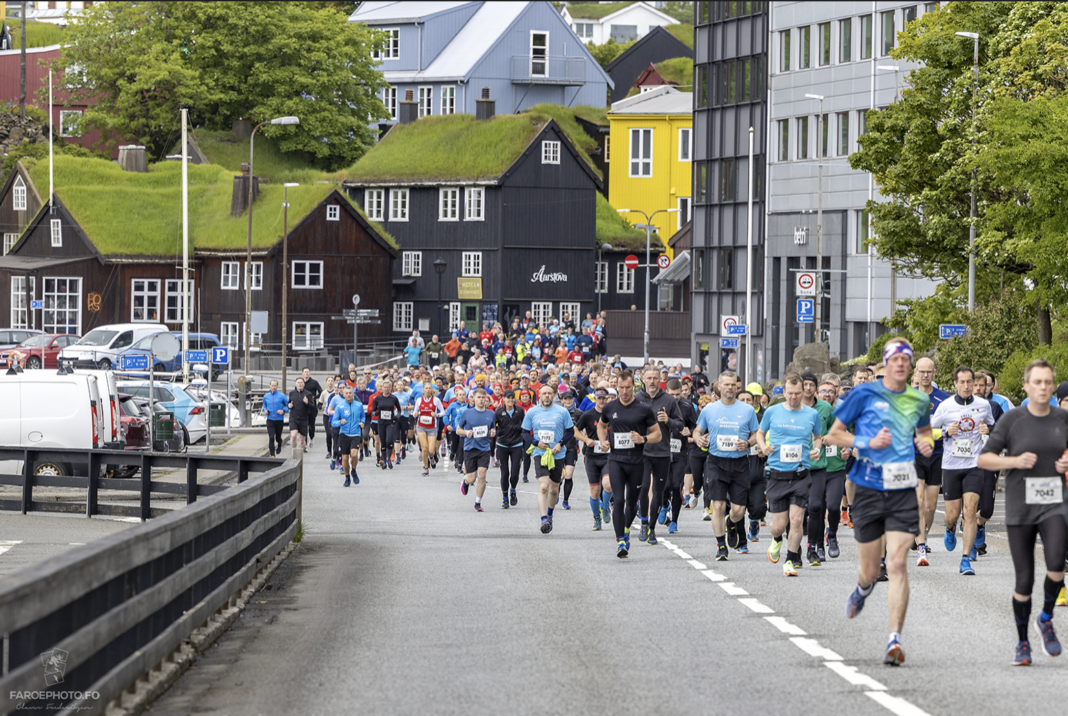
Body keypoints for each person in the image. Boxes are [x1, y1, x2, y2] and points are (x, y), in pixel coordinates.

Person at [826, 338, 934, 666]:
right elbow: (834, 434)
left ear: (910, 366)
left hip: (902, 489)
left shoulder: (918, 400)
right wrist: (867, 441)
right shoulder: (863, 394)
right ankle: (862, 588)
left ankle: (894, 639)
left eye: (906, 360)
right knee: (870, 571)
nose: (900, 364)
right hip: (868, 487)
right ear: (886, 365)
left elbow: (925, 433)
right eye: (895, 359)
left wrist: (925, 443)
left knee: (898, 563)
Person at [977, 359, 1067, 665]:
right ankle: (1023, 643)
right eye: (1037, 382)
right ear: (1026, 386)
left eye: (1048, 382)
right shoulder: (1013, 420)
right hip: (1020, 505)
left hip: (1054, 502)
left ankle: (1045, 618)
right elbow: (984, 459)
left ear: (1052, 386)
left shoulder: (1063, 418)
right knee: (1024, 580)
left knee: (1057, 564)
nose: (1043, 387)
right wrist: (1013, 462)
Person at [754, 373, 822, 577]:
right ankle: (777, 539)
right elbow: (759, 433)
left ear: (803, 392)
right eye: (790, 393)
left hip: (800, 474)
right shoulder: (772, 411)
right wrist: (763, 446)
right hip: (777, 474)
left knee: (797, 520)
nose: (794, 397)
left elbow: (817, 437)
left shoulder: (812, 414)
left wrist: (817, 449)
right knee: (778, 525)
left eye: (798, 393)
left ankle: (790, 560)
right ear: (784, 392)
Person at [931, 365, 995, 575]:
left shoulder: (983, 405)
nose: (966, 386)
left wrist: (988, 429)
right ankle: (950, 528)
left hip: (974, 465)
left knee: (970, 511)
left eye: (970, 382)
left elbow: (995, 427)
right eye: (962, 382)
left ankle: (965, 559)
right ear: (955, 384)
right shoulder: (945, 406)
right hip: (951, 466)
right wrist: (944, 432)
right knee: (952, 514)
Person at [694, 371, 760, 561]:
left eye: (733, 385)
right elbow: (697, 431)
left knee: (738, 510)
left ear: (737, 387)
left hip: (740, 463)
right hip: (716, 462)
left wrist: (747, 443)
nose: (730, 388)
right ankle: (721, 546)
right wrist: (699, 439)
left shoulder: (747, 410)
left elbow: (757, 434)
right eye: (726, 384)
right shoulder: (709, 410)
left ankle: (731, 523)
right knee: (718, 505)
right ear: (719, 386)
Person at [597, 371, 662, 558]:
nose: (624, 391)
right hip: (616, 460)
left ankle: (626, 530)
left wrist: (643, 439)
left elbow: (657, 434)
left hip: (637, 462)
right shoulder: (610, 407)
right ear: (616, 387)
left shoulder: (643, 409)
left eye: (628, 387)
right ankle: (621, 541)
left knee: (632, 504)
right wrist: (602, 441)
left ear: (634, 386)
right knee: (618, 500)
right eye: (621, 388)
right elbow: (601, 426)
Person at [636, 366, 683, 546]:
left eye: (655, 378)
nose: (652, 381)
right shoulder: (637, 399)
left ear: (660, 380)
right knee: (643, 487)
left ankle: (652, 528)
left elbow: (680, 425)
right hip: (642, 452)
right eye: (649, 378)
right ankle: (644, 523)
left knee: (658, 491)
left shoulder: (669, 400)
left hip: (662, 452)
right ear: (644, 379)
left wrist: (668, 420)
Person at [912, 356, 950, 565]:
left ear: (934, 373)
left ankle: (923, 534)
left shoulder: (944, 399)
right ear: (915, 373)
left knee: (930, 506)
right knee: (919, 500)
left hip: (937, 455)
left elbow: (951, 425)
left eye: (929, 372)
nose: (925, 375)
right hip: (915, 455)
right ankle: (921, 547)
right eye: (922, 372)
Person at [522, 385, 575, 533]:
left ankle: (550, 514)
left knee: (553, 489)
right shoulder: (532, 412)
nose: (546, 396)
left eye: (549, 393)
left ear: (554, 395)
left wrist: (560, 444)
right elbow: (525, 433)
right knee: (544, 486)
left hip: (557, 454)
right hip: (540, 453)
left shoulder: (562, 411)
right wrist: (536, 443)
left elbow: (570, 432)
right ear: (539, 395)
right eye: (544, 393)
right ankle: (543, 519)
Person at [799, 371, 835, 566]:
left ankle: (813, 547)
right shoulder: (791, 408)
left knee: (815, 507)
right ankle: (794, 547)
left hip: (818, 466)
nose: (807, 388)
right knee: (796, 512)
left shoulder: (825, 408)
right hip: (795, 467)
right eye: (804, 384)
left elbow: (834, 429)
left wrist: (828, 438)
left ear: (816, 388)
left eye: (811, 385)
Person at [812, 378, 849, 559]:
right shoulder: (811, 413)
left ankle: (832, 534)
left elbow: (847, 433)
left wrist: (847, 448)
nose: (827, 394)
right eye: (823, 391)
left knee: (834, 507)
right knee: (817, 508)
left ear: (836, 395)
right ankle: (819, 545)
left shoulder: (839, 413)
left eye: (831, 391)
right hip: (817, 468)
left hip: (836, 468)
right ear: (817, 394)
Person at [576, 386, 613, 531]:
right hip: (592, 456)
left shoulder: (613, 414)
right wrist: (586, 440)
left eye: (604, 398)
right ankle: (596, 518)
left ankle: (605, 506)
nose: (602, 401)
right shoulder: (588, 415)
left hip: (609, 456)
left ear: (607, 399)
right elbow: (575, 431)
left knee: (608, 484)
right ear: (595, 399)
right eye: (599, 398)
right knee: (595, 492)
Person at [664, 378, 698, 535]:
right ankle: (665, 505)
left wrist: (689, 431)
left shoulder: (686, 406)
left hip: (680, 451)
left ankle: (674, 521)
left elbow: (695, 426)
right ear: (666, 392)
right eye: (672, 394)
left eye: (678, 394)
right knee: (665, 486)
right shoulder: (661, 404)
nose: (675, 397)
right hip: (663, 451)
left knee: (676, 486)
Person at [458, 388, 496, 511]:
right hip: (470, 448)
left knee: (482, 475)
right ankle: (465, 481)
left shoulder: (491, 414)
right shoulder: (466, 413)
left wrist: (493, 432)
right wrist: (466, 432)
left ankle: (477, 503)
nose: (481, 400)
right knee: (471, 478)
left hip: (484, 449)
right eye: (479, 397)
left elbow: (493, 429)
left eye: (483, 397)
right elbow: (458, 430)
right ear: (473, 399)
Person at [494, 390, 526, 508]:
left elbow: (525, 425)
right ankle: (505, 498)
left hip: (516, 444)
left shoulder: (519, 410)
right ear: (504, 399)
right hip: (502, 445)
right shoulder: (498, 412)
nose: (510, 400)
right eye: (508, 398)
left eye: (512, 398)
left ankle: (513, 490)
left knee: (514, 473)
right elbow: (493, 427)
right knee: (504, 473)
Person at [331, 385, 366, 486]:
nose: (349, 395)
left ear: (353, 394)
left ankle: (353, 470)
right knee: (345, 458)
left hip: (356, 433)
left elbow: (363, 416)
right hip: (344, 434)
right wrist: (340, 422)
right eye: (346, 393)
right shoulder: (340, 406)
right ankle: (347, 477)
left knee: (354, 454)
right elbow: (334, 422)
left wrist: (362, 422)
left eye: (350, 393)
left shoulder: (359, 405)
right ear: (343, 394)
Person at [414, 383, 444, 477]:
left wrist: (437, 415)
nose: (428, 390)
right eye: (426, 388)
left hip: (432, 427)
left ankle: (431, 458)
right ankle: (426, 468)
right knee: (424, 448)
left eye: (429, 388)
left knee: (431, 451)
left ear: (431, 390)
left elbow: (443, 412)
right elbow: (415, 411)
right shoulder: (419, 400)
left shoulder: (436, 400)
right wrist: (415, 414)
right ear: (423, 390)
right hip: (421, 426)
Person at [371, 380, 403, 470]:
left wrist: (397, 416)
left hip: (390, 422)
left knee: (389, 441)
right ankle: (384, 460)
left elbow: (399, 410)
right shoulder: (378, 398)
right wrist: (376, 413)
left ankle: (389, 459)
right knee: (383, 443)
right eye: (385, 387)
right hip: (381, 423)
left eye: (388, 387)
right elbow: (372, 411)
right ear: (382, 388)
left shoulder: (393, 398)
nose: (386, 389)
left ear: (391, 388)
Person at [288, 377, 313, 454]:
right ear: (296, 384)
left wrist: (307, 403)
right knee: (293, 436)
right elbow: (288, 403)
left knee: (302, 440)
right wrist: (289, 405)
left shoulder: (308, 394)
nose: (300, 384)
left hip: (303, 418)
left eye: (301, 382)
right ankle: (294, 452)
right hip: (293, 418)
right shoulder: (292, 393)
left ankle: (300, 454)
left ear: (304, 384)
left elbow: (312, 406)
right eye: (298, 382)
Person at [262, 379, 287, 457]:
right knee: (271, 437)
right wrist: (265, 410)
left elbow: (289, 406)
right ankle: (272, 454)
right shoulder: (266, 396)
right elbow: (264, 405)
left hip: (279, 420)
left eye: (275, 385)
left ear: (277, 386)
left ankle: (279, 443)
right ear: (270, 386)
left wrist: (283, 410)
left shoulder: (282, 396)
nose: (273, 387)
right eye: (272, 385)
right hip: (270, 420)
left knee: (277, 437)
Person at [301, 368, 323, 450]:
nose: (306, 373)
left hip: (312, 406)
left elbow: (321, 392)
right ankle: (305, 444)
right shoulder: (300, 382)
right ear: (302, 373)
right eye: (305, 372)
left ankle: (311, 438)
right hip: (303, 407)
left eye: (307, 372)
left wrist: (314, 397)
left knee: (311, 425)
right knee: (304, 425)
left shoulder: (314, 382)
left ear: (309, 373)